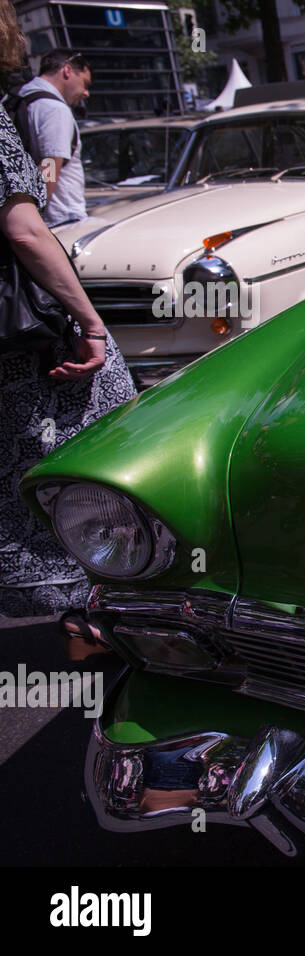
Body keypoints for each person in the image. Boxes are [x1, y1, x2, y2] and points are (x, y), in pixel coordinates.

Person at [0, 3, 136, 619]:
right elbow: (26, 226)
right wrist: (90, 323)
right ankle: (91, 591)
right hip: (18, 317)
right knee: (107, 412)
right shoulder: (37, 110)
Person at [15, 48, 91, 227]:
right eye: (85, 83)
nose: (86, 92)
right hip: (60, 221)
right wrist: (33, 223)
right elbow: (48, 167)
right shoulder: (55, 110)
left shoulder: (18, 99)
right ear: (67, 71)